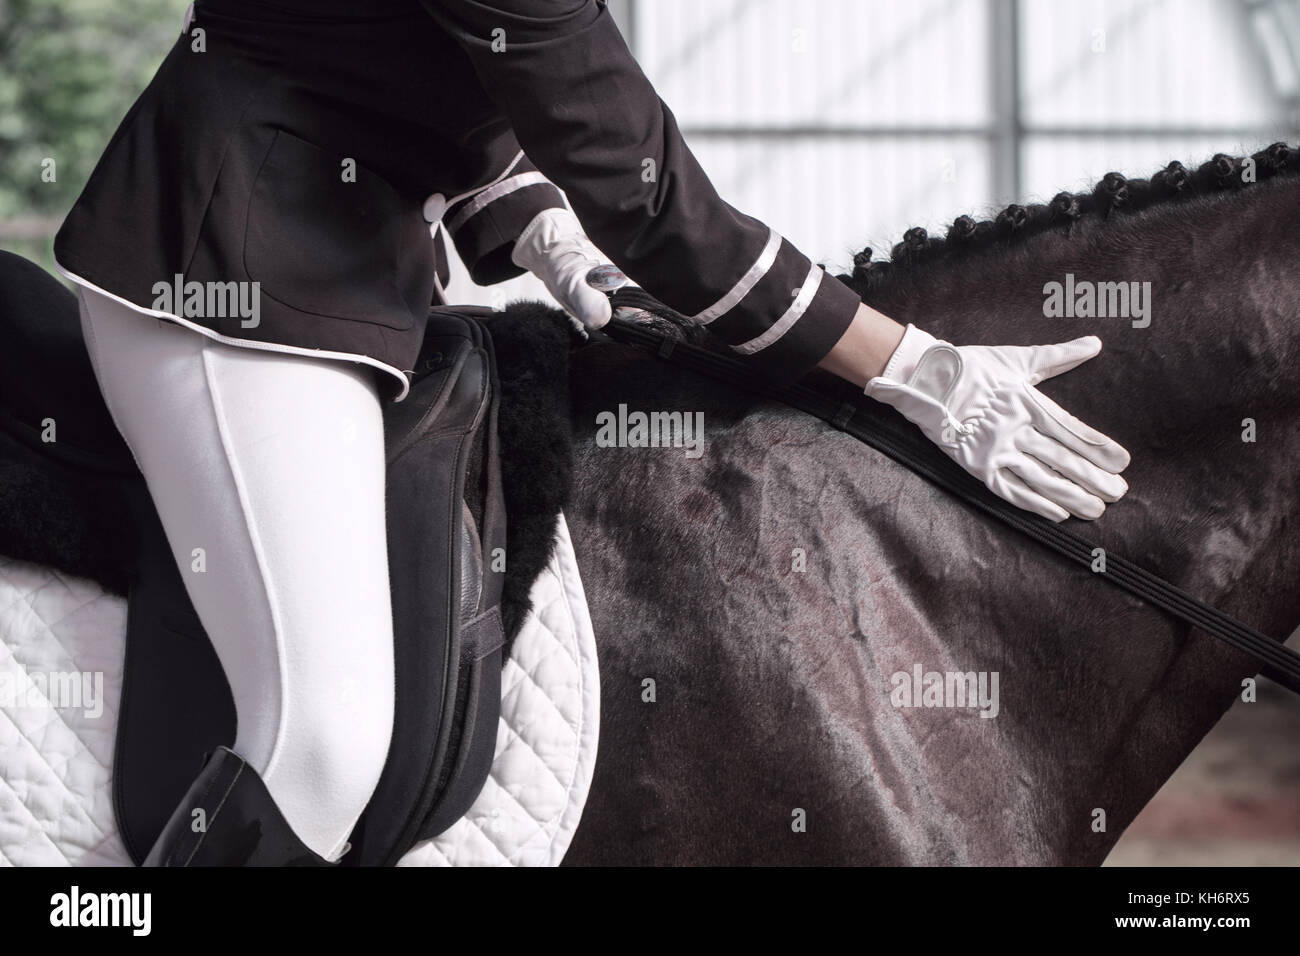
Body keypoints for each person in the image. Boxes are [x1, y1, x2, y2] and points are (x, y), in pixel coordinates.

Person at [53, 0, 1130, 866]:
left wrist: (541, 227)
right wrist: (917, 369)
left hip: (345, 260)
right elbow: (654, 198)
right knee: (327, 736)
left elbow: (417, 53)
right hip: (224, 270)